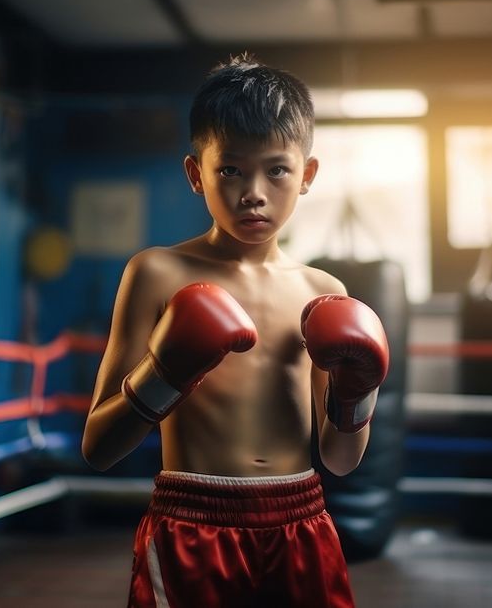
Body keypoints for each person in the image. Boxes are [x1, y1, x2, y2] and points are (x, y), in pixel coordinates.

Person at [81, 52, 389, 608]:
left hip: (302, 521)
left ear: (308, 175)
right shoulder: (156, 273)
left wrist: (357, 391)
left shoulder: (324, 293)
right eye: (231, 169)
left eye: (277, 169)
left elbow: (341, 460)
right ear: (195, 174)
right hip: (192, 526)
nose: (254, 191)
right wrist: (165, 373)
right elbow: (99, 448)